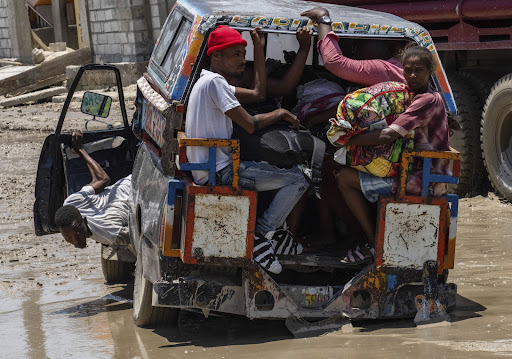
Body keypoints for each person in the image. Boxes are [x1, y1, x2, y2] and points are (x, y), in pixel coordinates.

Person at [185, 25, 309, 274]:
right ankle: (260, 235)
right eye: (236, 55)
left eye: (244, 54)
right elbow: (250, 125)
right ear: (216, 56)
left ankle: (268, 236)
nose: (243, 60)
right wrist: (280, 113)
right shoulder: (215, 84)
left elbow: (257, 93)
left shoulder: (207, 81)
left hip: (211, 168)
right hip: (221, 173)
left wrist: (259, 49)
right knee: (300, 178)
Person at [335, 43, 450, 263]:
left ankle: (372, 243)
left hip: (419, 179)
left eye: (419, 70)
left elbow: (389, 136)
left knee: (343, 178)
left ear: (430, 71)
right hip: (417, 171)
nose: (412, 75)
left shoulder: (425, 100)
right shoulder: (419, 96)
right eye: (408, 70)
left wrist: (346, 140)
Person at [54, 130, 131, 249]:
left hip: (137, 190)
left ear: (84, 221)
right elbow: (101, 179)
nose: (75, 241)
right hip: (132, 187)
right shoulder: (71, 203)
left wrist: (79, 149)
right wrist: (78, 149)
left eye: (78, 233)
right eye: (68, 238)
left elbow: (103, 179)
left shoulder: (108, 235)